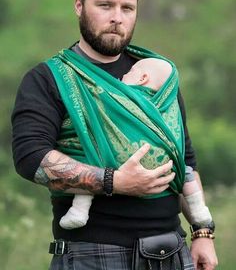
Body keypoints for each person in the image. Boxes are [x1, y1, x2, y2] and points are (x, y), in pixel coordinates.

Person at [11, 0, 218, 270]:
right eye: (105, 5)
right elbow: (30, 158)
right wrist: (114, 181)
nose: (117, 17)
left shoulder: (158, 76)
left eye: (127, 8)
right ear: (79, 6)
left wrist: (202, 232)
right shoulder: (49, 78)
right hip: (91, 254)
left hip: (171, 250)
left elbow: (183, 159)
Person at [60, 58, 212, 232]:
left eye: (129, 73)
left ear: (142, 79)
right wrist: (203, 228)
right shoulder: (164, 105)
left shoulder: (120, 95)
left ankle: (79, 211)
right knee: (186, 173)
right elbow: (184, 157)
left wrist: (203, 236)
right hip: (164, 165)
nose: (122, 76)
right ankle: (200, 211)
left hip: (114, 162)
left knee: (90, 168)